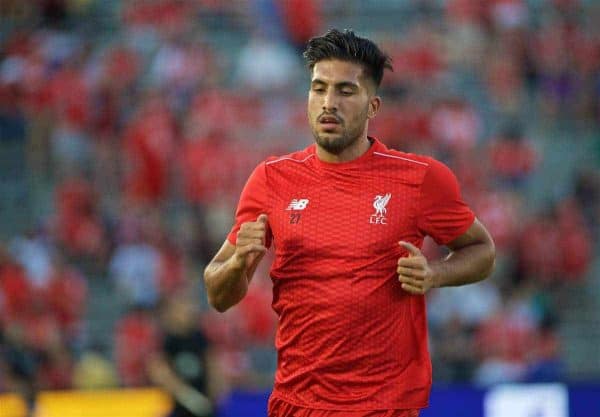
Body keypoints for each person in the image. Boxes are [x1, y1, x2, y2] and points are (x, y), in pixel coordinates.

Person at [203, 29, 495, 417]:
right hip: (298, 404)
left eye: (344, 91)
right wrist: (240, 262)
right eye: (318, 88)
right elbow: (218, 294)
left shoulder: (420, 179)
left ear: (372, 105)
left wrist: (435, 274)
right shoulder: (272, 179)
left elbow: (482, 250)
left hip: (385, 406)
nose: (328, 103)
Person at [148, 291, 219, 417]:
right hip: (180, 407)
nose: (189, 312)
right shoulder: (166, 341)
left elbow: (212, 365)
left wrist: (212, 394)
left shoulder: (200, 337)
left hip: (205, 404)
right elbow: (160, 372)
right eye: (183, 308)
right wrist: (188, 397)